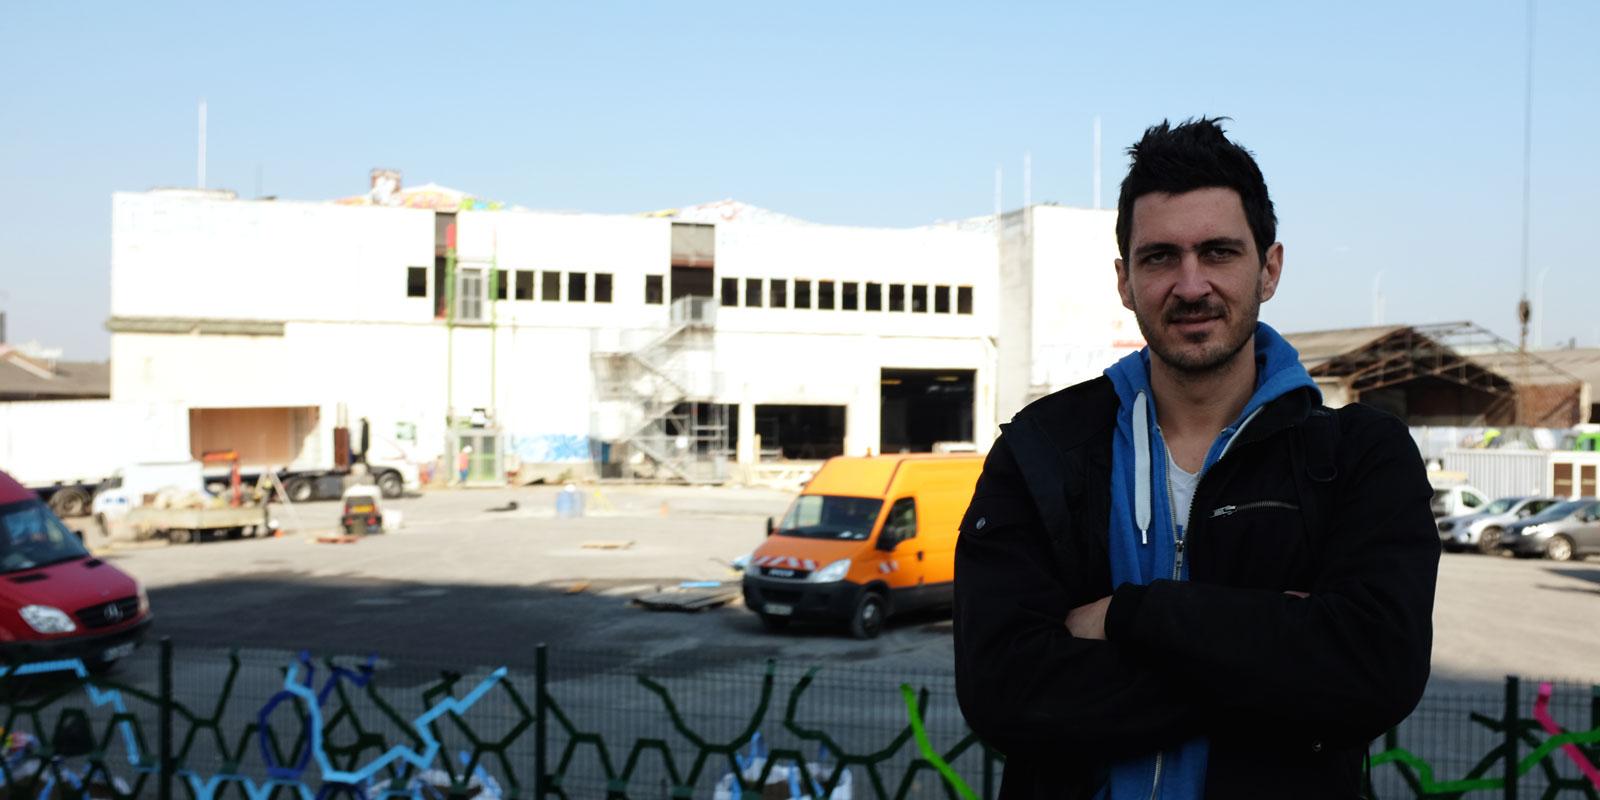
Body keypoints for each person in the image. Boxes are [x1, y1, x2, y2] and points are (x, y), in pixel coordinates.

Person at [953, 118, 1440, 798]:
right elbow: (1004, 693)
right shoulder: (1042, 450)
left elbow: (1373, 673)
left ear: (1268, 268)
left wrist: (1127, 617)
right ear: (1125, 281)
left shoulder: (1358, 456)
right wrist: (1276, 654)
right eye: (1159, 258)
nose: (1190, 285)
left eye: (1218, 252)